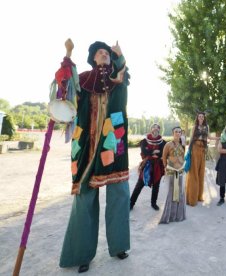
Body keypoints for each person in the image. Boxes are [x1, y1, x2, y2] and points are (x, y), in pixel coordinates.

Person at [59, 39, 130, 273]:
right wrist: (68, 53)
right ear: (93, 58)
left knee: (119, 196)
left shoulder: (118, 79)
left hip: (113, 145)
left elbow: (123, 68)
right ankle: (81, 254)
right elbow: (66, 87)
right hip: (87, 147)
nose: (104, 54)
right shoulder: (85, 80)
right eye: (100, 53)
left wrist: (119, 54)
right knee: (84, 200)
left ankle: (119, 245)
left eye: (107, 53)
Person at [130, 123, 166, 211]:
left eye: (157, 128)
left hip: (158, 166)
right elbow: (144, 151)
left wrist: (152, 152)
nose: (155, 129)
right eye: (153, 128)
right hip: (147, 165)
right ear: (151, 129)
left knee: (156, 185)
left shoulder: (163, 142)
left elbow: (163, 153)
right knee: (139, 184)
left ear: (159, 130)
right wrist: (154, 152)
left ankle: (153, 203)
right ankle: (131, 203)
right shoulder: (144, 141)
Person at [185, 112, 218, 206]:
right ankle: (192, 198)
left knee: (201, 172)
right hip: (195, 148)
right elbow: (191, 138)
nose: (201, 118)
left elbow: (209, 137)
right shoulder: (194, 127)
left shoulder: (206, 127)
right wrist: (189, 150)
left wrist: (219, 138)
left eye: (202, 117)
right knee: (194, 172)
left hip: (203, 149)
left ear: (204, 118)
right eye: (199, 116)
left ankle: (199, 196)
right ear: (197, 117)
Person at [159, 126, 186, 223]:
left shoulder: (183, 144)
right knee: (171, 193)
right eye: (176, 132)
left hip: (180, 171)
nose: (178, 133)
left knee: (180, 193)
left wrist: (182, 166)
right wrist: (165, 167)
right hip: (171, 171)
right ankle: (169, 216)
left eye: (179, 132)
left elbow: (183, 156)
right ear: (172, 133)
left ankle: (179, 216)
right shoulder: (168, 145)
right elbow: (164, 157)